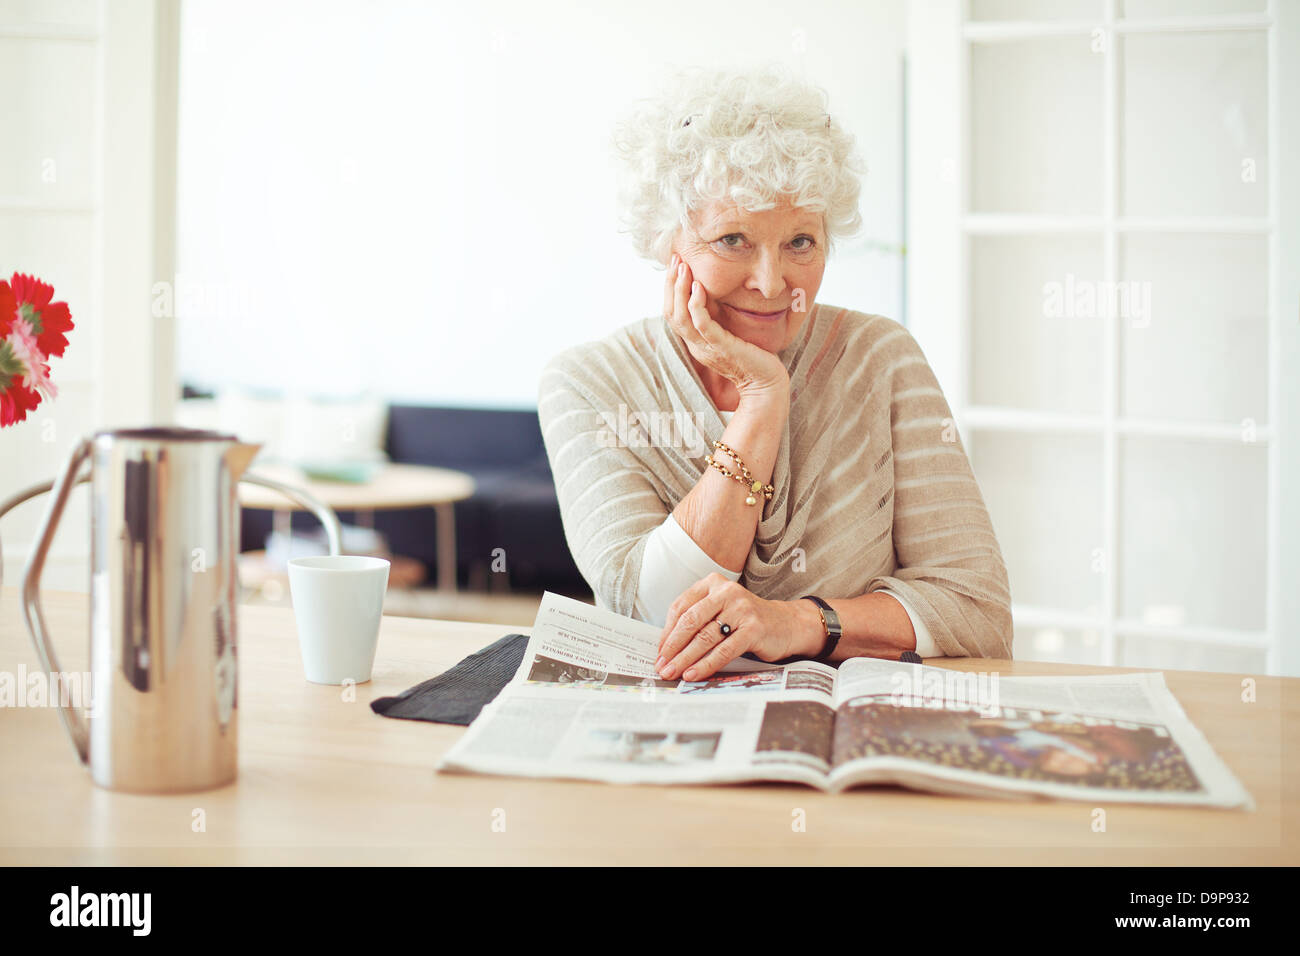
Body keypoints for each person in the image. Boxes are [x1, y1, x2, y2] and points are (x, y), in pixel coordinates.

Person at [538, 65, 1012, 682]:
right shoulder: (589, 382)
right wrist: (762, 401)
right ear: (668, 241)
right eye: (733, 239)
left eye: (800, 243)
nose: (770, 284)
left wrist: (800, 622)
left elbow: (977, 612)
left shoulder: (881, 358)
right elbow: (648, 617)